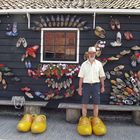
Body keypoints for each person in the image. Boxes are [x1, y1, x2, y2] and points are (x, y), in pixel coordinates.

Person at [78, 46, 105, 117]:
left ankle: (95, 119)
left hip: (96, 85)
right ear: (88, 53)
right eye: (90, 53)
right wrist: (80, 88)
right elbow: (81, 77)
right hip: (86, 85)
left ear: (95, 53)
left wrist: (102, 87)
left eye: (93, 53)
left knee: (96, 104)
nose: (92, 54)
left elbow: (102, 76)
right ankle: (84, 119)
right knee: (84, 104)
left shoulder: (99, 64)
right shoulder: (84, 64)